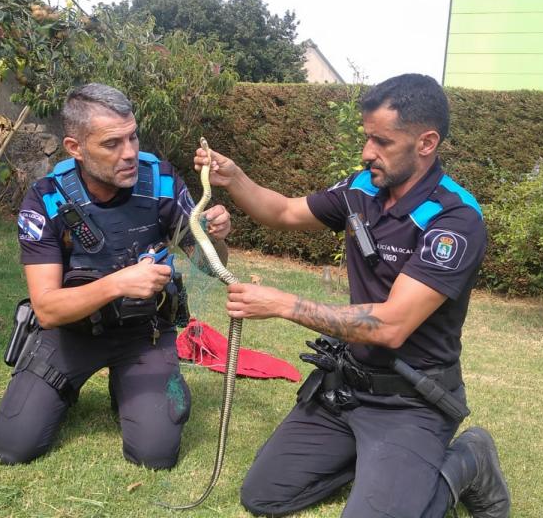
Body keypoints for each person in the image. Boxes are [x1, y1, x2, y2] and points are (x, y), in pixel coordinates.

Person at [193, 74, 510, 517]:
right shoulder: (362, 188)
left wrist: (283, 304)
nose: (367, 153)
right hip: (346, 388)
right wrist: (236, 178)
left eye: (382, 141)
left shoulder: (454, 219)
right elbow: (284, 211)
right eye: (367, 138)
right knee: (264, 495)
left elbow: (392, 324)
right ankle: (383, 468)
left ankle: (468, 461)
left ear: (426, 142)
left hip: (410, 400)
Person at [0, 83, 231, 468]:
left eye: (132, 136)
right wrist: (118, 283)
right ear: (75, 148)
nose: (130, 153)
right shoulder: (46, 197)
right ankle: (60, 387)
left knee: (156, 453)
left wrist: (215, 238)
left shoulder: (162, 181)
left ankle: (130, 386)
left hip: (143, 333)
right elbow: (47, 310)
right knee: (11, 446)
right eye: (112, 143)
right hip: (70, 332)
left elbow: (210, 265)